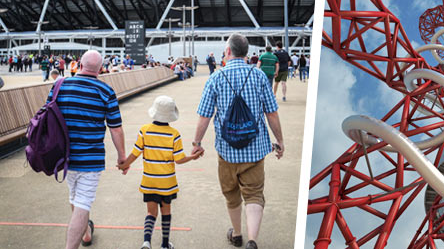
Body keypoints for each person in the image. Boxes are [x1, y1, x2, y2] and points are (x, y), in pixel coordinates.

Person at [193, 34, 284, 249]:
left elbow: (204, 116)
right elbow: (271, 113)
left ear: (228, 52)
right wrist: (280, 140)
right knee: (254, 194)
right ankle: (252, 240)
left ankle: (237, 234)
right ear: (247, 53)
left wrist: (196, 142)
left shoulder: (215, 78)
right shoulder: (259, 76)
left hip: (227, 150)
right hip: (255, 149)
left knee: (232, 194)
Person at [47, 50, 126, 249]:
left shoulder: (59, 85)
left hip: (63, 156)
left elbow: (48, 116)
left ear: (79, 65)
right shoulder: (106, 91)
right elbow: (115, 128)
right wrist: (122, 157)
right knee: (83, 202)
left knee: (74, 196)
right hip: (90, 158)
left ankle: (87, 233)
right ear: (100, 69)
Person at [117, 95, 201, 249]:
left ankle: (146, 242)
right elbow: (179, 159)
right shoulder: (174, 134)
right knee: (166, 213)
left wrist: (124, 165)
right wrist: (193, 157)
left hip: (149, 181)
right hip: (167, 183)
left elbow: (135, 153)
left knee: (151, 213)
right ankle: (164, 244)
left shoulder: (144, 131)